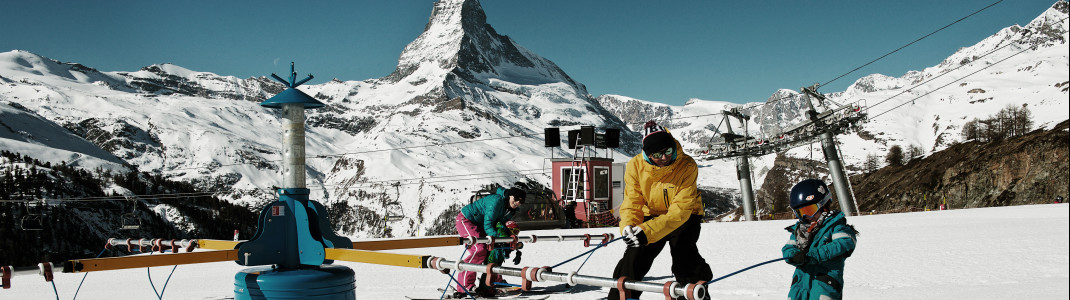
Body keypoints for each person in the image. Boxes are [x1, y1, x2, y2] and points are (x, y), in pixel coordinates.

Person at [609, 121, 712, 300]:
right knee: (633, 258)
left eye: (668, 151)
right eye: (657, 154)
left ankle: (694, 292)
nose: (664, 158)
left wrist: (648, 231)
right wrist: (628, 225)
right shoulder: (635, 166)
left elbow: (679, 211)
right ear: (647, 155)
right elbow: (633, 201)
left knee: (683, 254)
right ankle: (622, 296)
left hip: (686, 216)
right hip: (651, 213)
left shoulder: (687, 165)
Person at [782, 179, 858, 300]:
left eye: (809, 211)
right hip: (801, 281)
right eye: (800, 213)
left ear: (824, 205)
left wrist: (814, 255)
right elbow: (788, 248)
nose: (806, 217)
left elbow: (845, 243)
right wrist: (793, 255)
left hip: (825, 280)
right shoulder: (799, 230)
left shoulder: (836, 225)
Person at [454, 186, 525, 298]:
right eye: (516, 198)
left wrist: (508, 238)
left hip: (480, 225)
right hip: (467, 220)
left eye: (521, 201)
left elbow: (501, 225)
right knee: (479, 249)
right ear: (509, 195)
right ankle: (464, 286)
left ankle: (492, 281)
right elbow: (488, 224)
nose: (517, 202)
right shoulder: (496, 201)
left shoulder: (510, 209)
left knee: (494, 252)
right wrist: (498, 239)